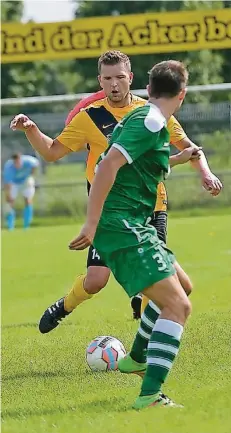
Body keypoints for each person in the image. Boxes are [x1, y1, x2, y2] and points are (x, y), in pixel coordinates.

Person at [10, 51, 222, 330]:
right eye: (108, 78)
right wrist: (31, 130)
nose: (114, 84)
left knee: (159, 279)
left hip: (150, 205)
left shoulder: (152, 113)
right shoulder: (90, 117)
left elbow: (191, 150)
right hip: (110, 208)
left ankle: (143, 343)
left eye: (120, 77)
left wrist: (206, 173)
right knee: (96, 280)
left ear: (130, 78)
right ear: (100, 81)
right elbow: (51, 152)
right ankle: (65, 305)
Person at [69, 59, 195, 409]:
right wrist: (92, 224)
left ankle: (137, 357)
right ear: (181, 95)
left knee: (182, 287)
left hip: (132, 224)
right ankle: (150, 397)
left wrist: (183, 157)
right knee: (178, 305)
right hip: (121, 227)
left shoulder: (144, 119)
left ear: (148, 90)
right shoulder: (152, 121)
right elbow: (106, 166)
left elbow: (138, 163)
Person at [3, 153, 39, 230]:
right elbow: (8, 183)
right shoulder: (9, 167)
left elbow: (36, 164)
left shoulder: (28, 161)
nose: (17, 164)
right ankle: (10, 226)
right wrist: (8, 194)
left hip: (25, 181)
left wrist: (31, 175)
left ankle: (26, 226)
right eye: (15, 162)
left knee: (28, 200)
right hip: (14, 183)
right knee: (10, 202)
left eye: (18, 162)